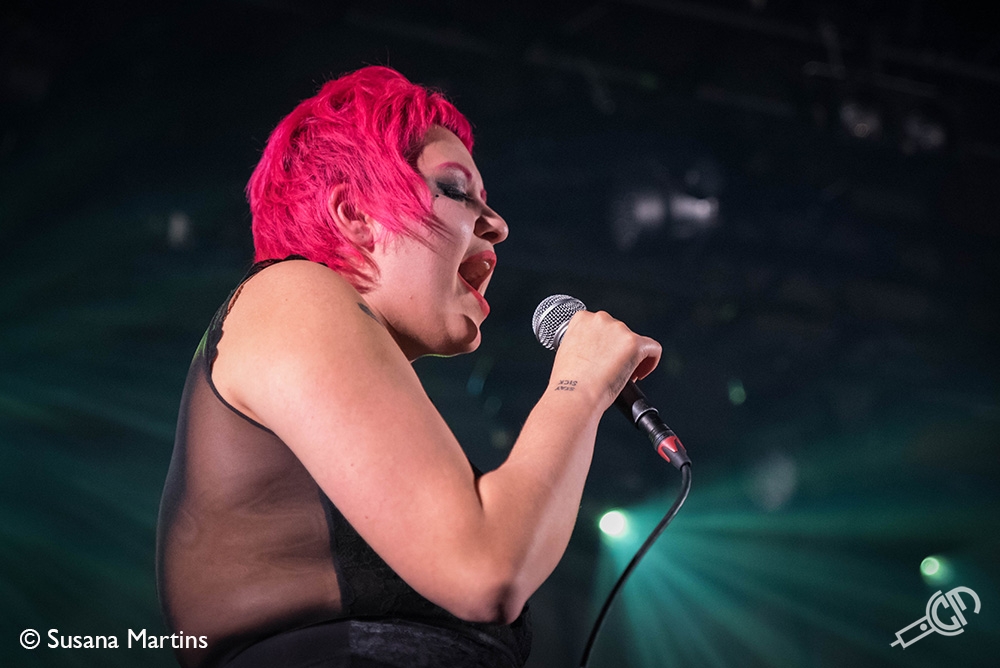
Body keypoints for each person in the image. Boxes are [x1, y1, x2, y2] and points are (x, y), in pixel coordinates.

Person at [156, 65, 661, 668]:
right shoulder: (290, 290)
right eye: (456, 190)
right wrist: (581, 382)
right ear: (354, 215)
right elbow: (487, 568)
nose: (497, 224)